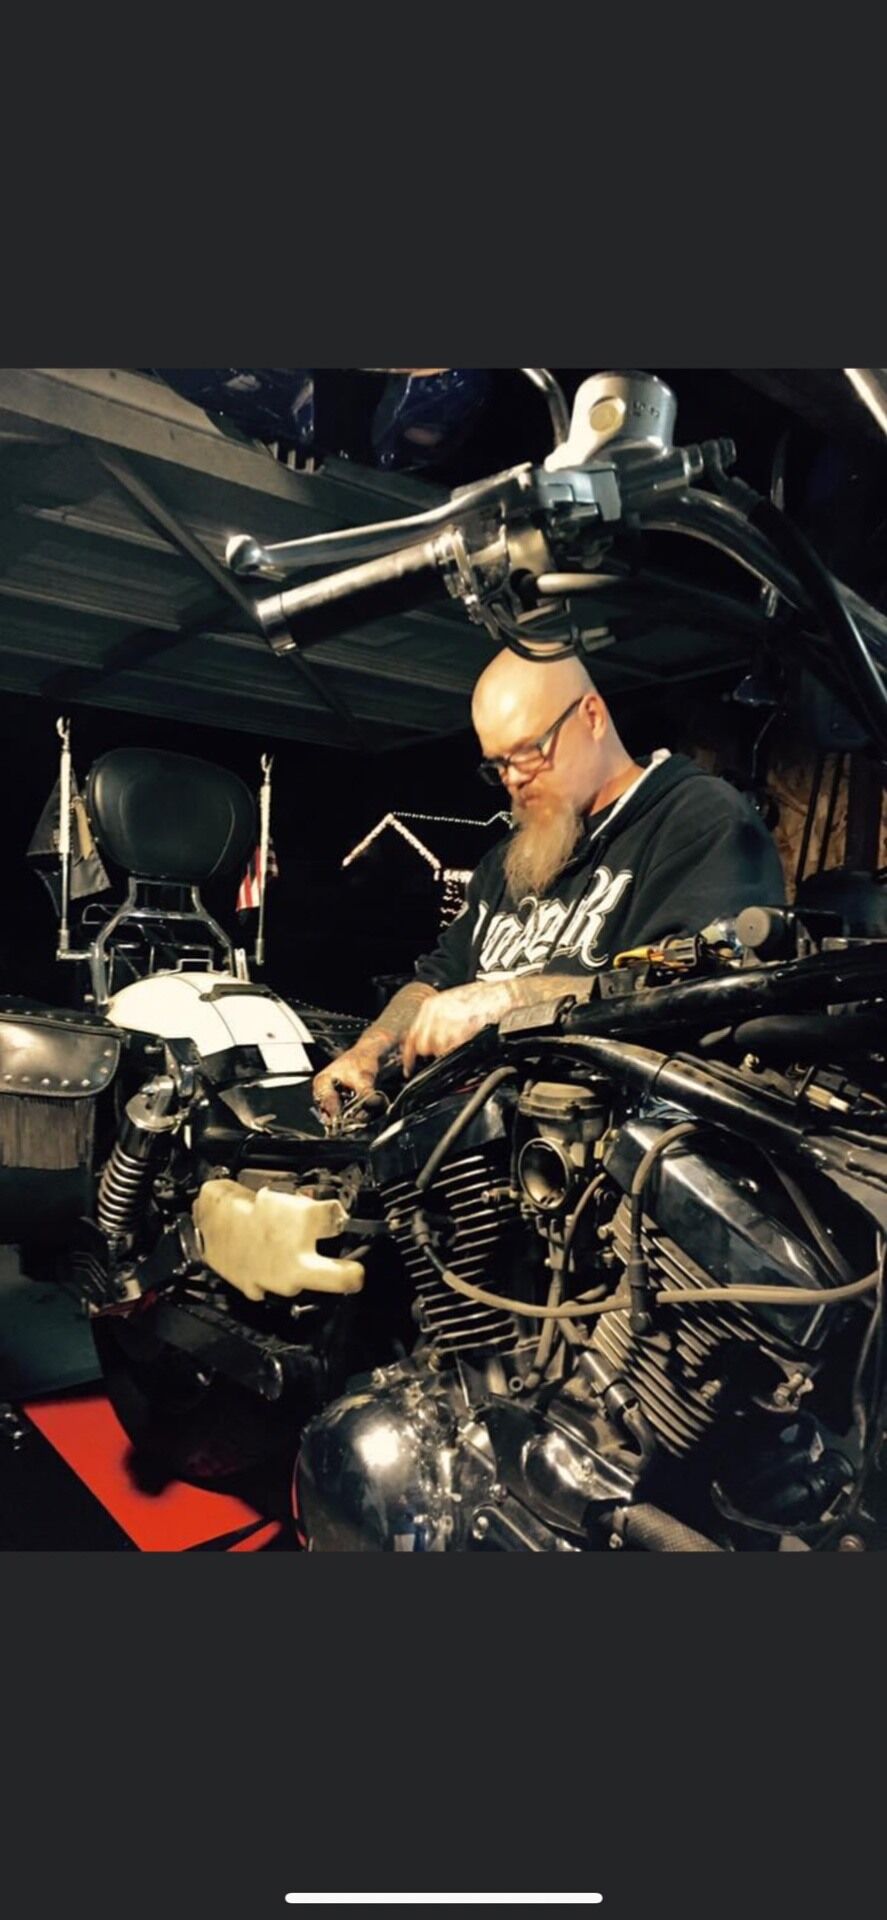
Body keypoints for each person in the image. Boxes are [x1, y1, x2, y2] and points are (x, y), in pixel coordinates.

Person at [312, 648, 786, 1120]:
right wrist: (370, 1049)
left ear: (592, 717)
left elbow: (705, 994)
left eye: (527, 752)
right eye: (498, 765)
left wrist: (508, 1000)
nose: (513, 780)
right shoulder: (511, 858)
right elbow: (436, 980)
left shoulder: (698, 818)